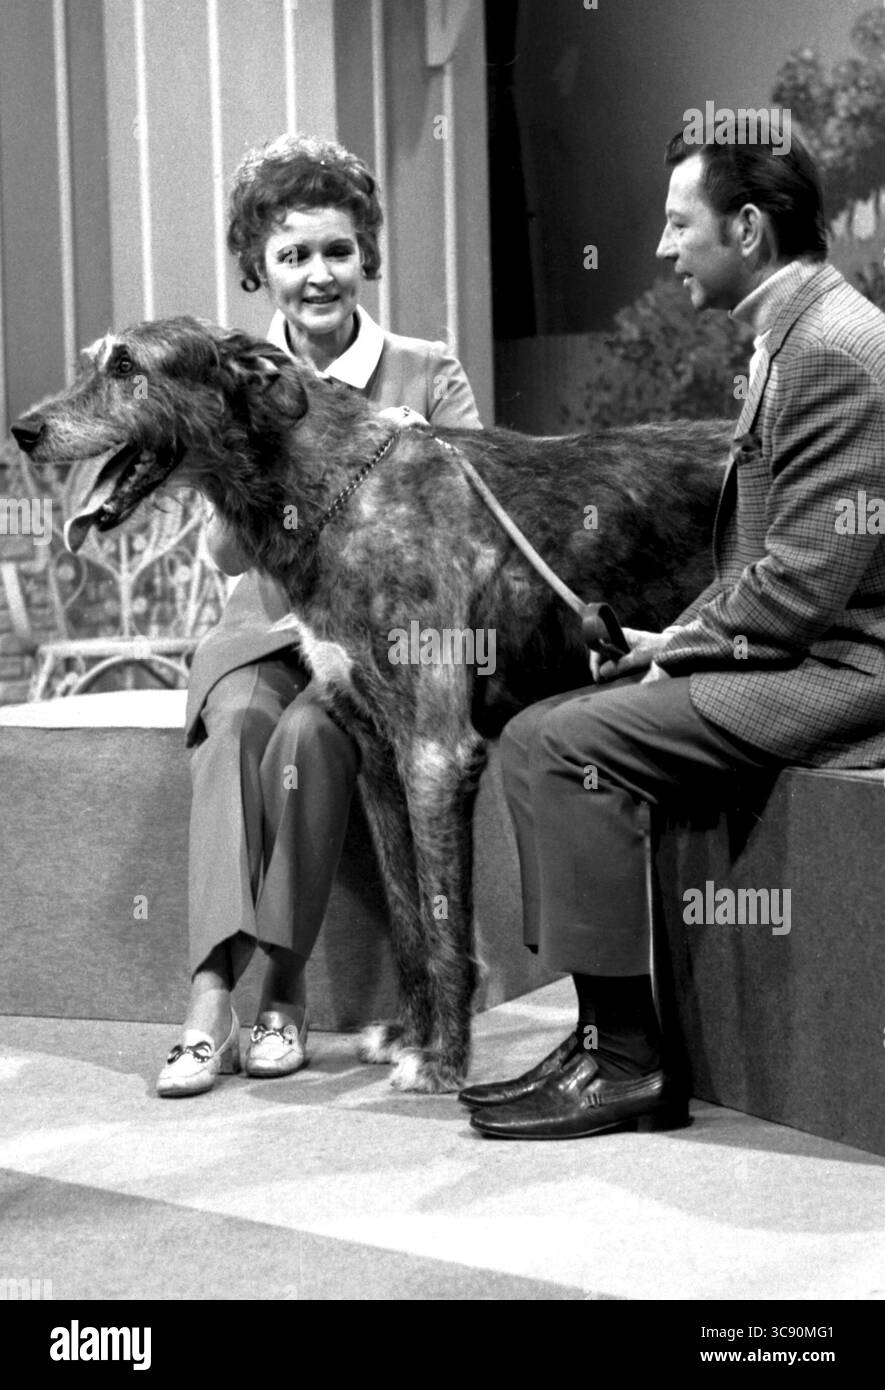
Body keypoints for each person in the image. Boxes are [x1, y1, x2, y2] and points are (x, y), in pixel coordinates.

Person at [462, 125, 885, 1138]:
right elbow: (769, 569)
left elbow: (802, 585)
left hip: (848, 671)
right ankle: (605, 1036)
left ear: (747, 227)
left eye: (677, 222)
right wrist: (670, 640)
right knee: (560, 727)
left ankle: (627, 1058)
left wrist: (674, 651)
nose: (661, 248)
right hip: (813, 647)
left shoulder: (831, 350)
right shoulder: (802, 334)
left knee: (553, 741)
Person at [157, 134, 480, 1097]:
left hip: (374, 654)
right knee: (239, 728)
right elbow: (220, 556)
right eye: (292, 256)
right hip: (261, 626)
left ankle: (285, 995)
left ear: (365, 256)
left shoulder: (429, 373)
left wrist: (405, 470)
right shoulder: (231, 377)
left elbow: (478, 531)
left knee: (310, 737)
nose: (317, 275)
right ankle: (209, 1000)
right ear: (260, 268)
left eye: (336, 250)